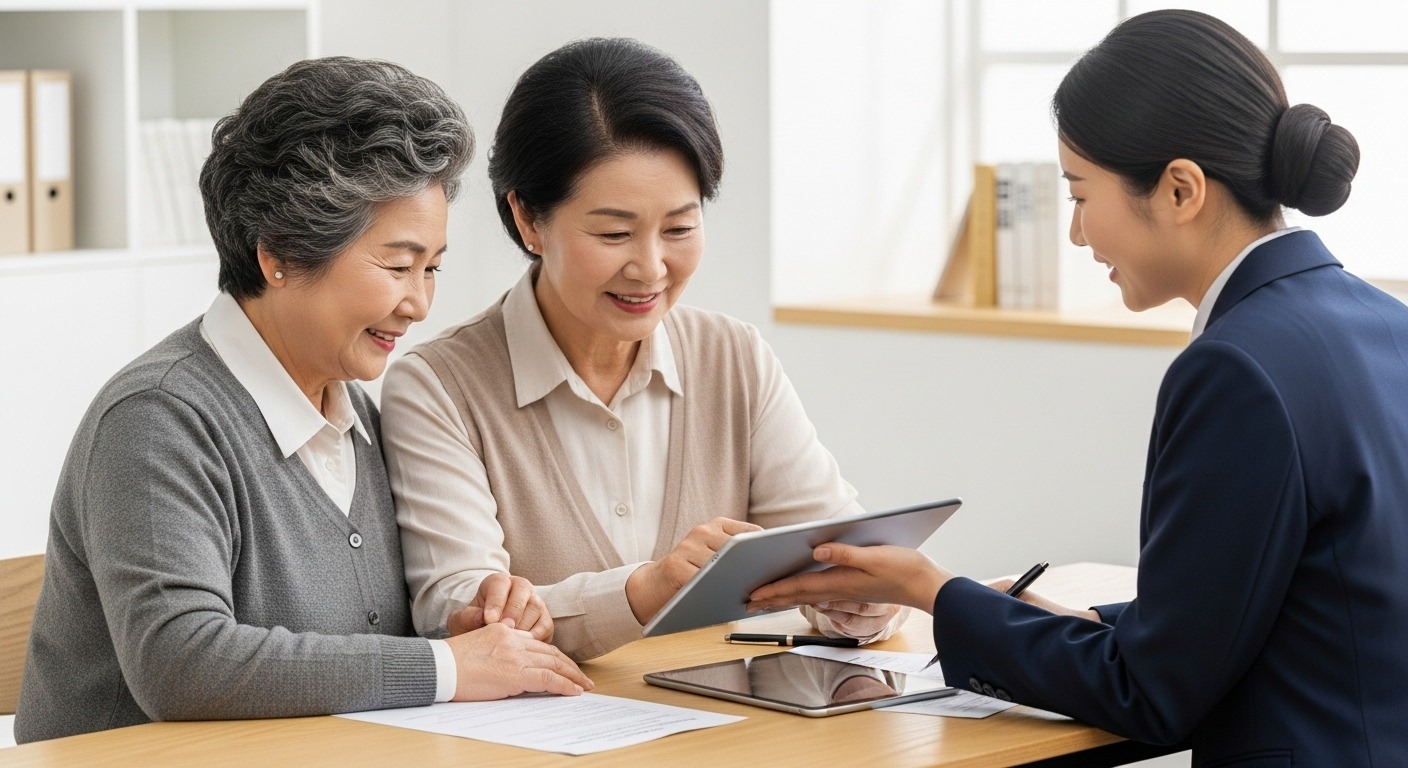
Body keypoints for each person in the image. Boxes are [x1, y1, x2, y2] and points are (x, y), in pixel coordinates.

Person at [748, 10, 1408, 765]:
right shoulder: (1389, 324)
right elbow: (1309, 601)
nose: (1077, 235)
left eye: (1079, 195)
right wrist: (1089, 622)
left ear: (1180, 189)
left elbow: (1151, 693)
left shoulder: (1234, 369)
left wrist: (935, 591)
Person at [16, 57, 590, 744]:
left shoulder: (356, 419)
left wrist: (462, 629)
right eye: (397, 265)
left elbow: (352, 647)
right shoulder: (156, 418)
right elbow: (182, 662)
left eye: (432, 268)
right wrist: (444, 665)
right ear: (280, 252)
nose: (419, 305)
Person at [380, 37, 904, 662]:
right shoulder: (439, 385)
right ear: (528, 220)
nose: (651, 268)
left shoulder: (732, 357)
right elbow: (455, 610)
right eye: (614, 233)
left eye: (680, 228)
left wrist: (863, 602)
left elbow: (838, 543)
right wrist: (644, 591)